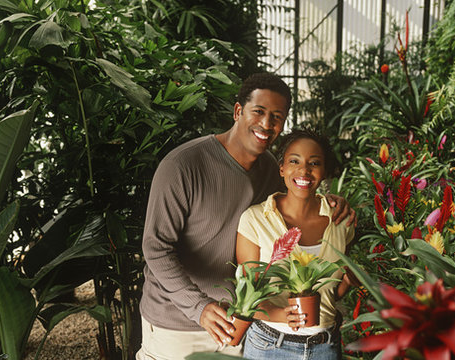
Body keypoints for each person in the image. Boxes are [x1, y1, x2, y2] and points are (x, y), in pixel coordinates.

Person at [138, 73, 353, 360]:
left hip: (242, 326)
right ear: (238, 111)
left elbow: (297, 199)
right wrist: (198, 307)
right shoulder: (182, 166)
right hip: (177, 325)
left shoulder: (270, 171)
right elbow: (155, 248)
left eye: (277, 117)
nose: (267, 124)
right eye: (259, 112)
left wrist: (332, 202)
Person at [235, 130, 355, 360]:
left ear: (324, 171)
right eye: (294, 161)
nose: (304, 171)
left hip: (325, 346)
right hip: (269, 345)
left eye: (314, 163)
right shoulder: (255, 219)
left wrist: (350, 280)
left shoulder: (341, 221)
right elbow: (247, 292)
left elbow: (331, 296)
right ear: (281, 168)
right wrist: (279, 314)